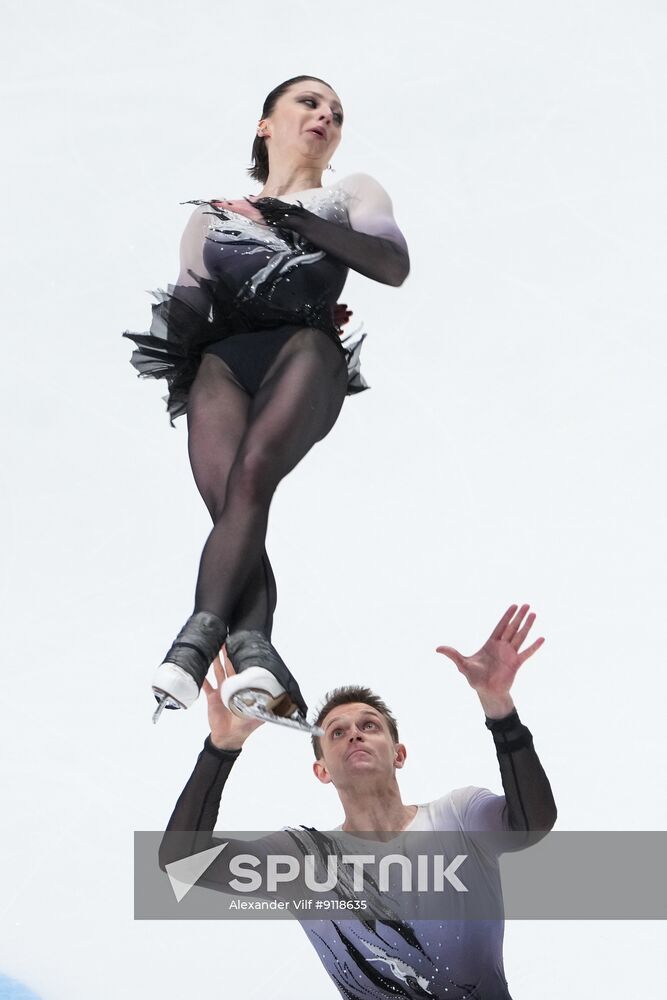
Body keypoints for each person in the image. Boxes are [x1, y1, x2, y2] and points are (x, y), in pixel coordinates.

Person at [123, 75, 409, 728]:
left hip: (305, 354)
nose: (325, 114)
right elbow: (189, 305)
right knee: (231, 504)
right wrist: (184, 368)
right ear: (266, 124)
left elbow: (391, 265)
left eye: (335, 111)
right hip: (226, 363)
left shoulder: (350, 194)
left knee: (253, 475)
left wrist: (296, 219)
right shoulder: (212, 216)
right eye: (308, 102)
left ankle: (193, 648)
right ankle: (258, 659)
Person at [159, 604, 557, 999]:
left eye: (369, 725)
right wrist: (222, 747)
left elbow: (531, 824)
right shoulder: (305, 862)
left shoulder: (457, 816)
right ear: (322, 771)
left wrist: (498, 707)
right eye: (336, 732)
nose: (354, 734)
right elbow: (183, 863)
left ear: (398, 754)